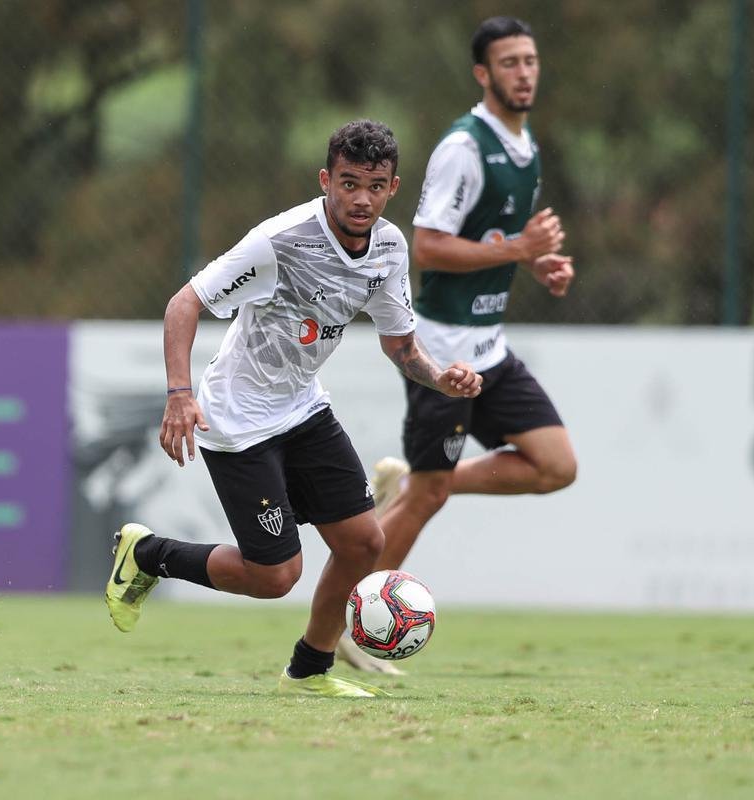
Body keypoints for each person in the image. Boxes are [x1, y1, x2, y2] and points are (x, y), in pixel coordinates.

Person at [104, 120, 482, 698]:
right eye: (349, 183)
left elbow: (400, 345)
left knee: (363, 543)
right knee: (276, 576)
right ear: (326, 179)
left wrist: (440, 379)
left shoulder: (388, 248)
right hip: (237, 421)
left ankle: (309, 672)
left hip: (304, 409)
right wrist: (180, 394)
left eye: (375, 186)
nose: (361, 198)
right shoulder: (280, 241)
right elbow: (184, 304)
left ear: (393, 188)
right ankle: (148, 553)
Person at [336, 17, 578, 673]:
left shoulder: (525, 148)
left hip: (490, 349)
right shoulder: (463, 148)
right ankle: (346, 632)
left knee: (555, 466)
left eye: (529, 60)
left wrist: (533, 263)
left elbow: (492, 241)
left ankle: (413, 482)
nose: (523, 72)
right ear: (483, 74)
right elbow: (429, 247)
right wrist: (518, 248)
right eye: (508, 63)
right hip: (442, 356)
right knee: (429, 496)